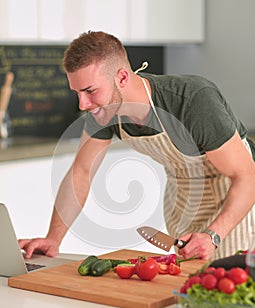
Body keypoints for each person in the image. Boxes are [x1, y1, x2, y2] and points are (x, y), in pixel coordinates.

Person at [19, 31, 255, 261]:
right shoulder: (103, 111)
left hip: (237, 199)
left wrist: (213, 235)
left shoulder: (192, 101)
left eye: (90, 91)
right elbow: (81, 172)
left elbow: (246, 175)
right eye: (77, 93)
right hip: (184, 198)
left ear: (122, 77)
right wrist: (53, 239)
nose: (83, 104)